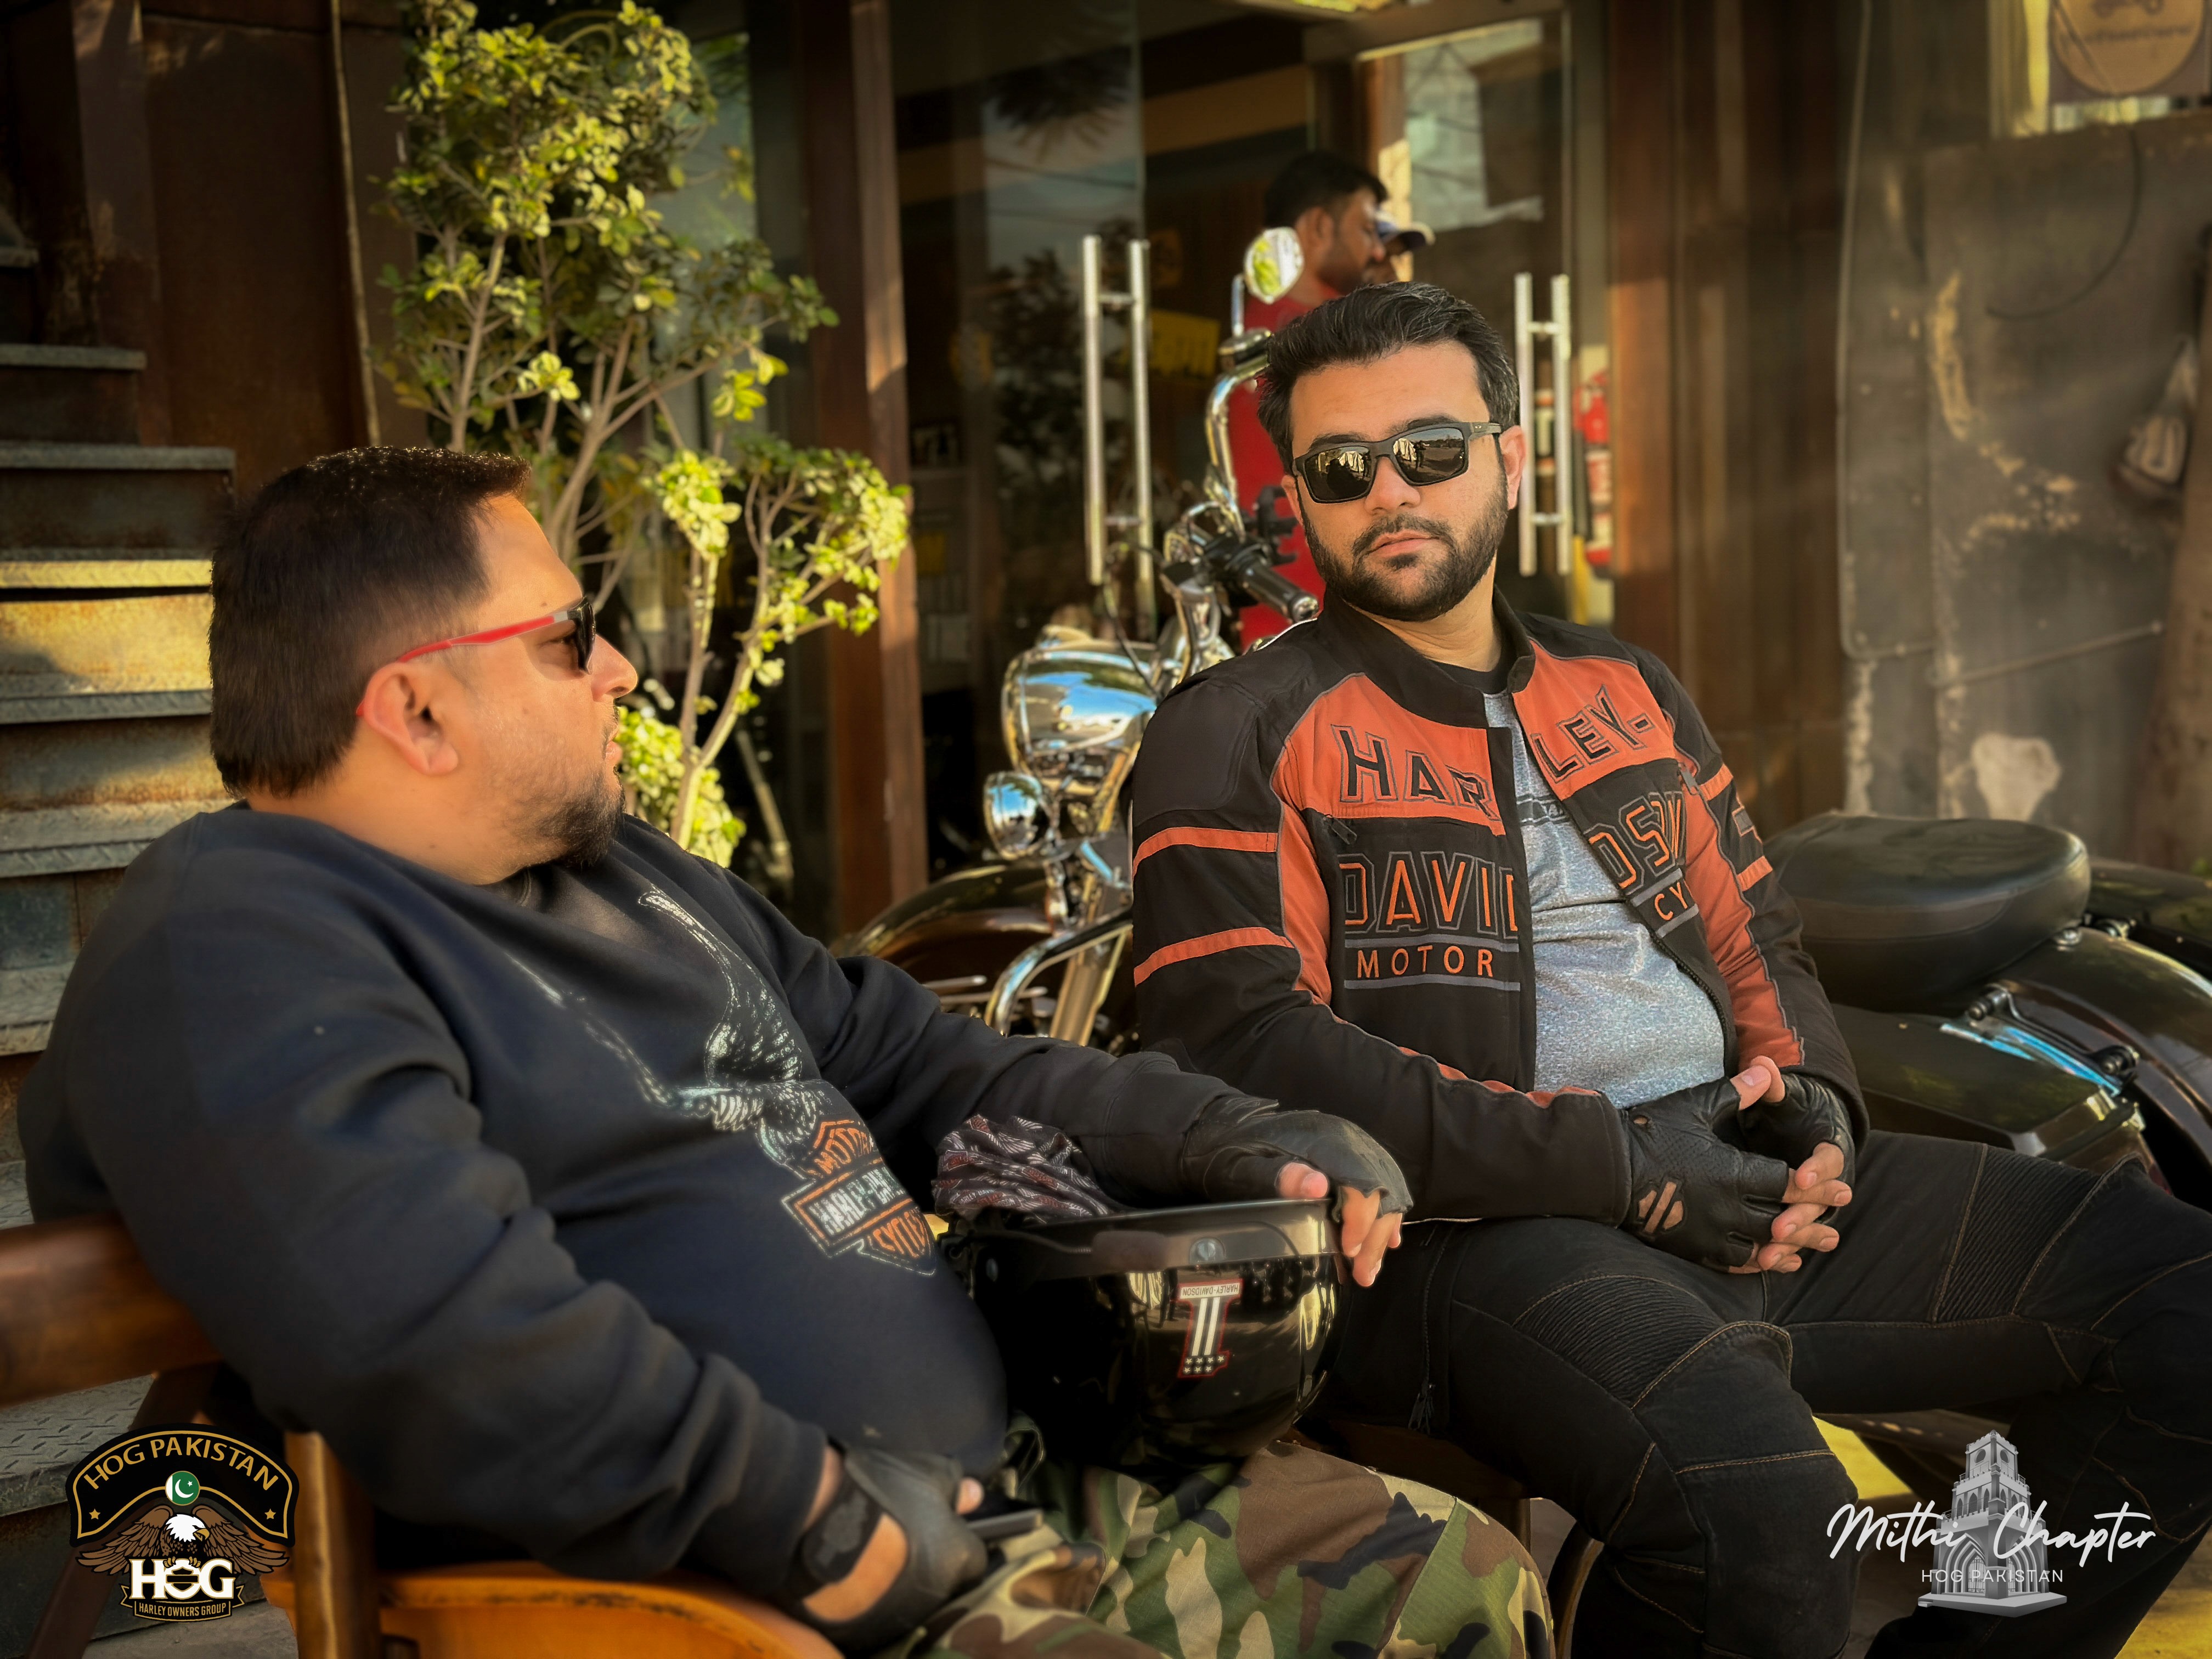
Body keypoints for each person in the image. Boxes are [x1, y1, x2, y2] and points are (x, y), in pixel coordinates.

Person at [19, 447, 1552, 1659]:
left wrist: (1234, 1137)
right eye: (568, 639)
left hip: (1009, 1489)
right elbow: (446, 1345)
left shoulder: (625, 876)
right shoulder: (239, 946)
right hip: (751, 1596)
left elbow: (934, 1071)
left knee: (1465, 1576)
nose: (620, 670)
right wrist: (834, 1530)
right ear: (416, 707)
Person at [1128, 281, 2212, 1659]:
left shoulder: (1626, 687)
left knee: (2190, 1305)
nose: (1389, 491)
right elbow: (1244, 1043)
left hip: (1735, 1177)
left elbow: (1759, 933)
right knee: (1764, 1513)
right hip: (1464, 1241)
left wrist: (1818, 1111)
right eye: (1342, 468)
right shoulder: (1233, 726)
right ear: (1301, 498)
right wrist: (1626, 1167)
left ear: (1511, 459)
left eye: (1431, 451)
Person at [1230, 151, 1396, 641]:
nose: (1378, 252)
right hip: (1311, 610)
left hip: (1302, 607)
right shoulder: (1315, 339)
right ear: (1320, 227)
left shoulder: (1256, 332)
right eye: (1367, 230)